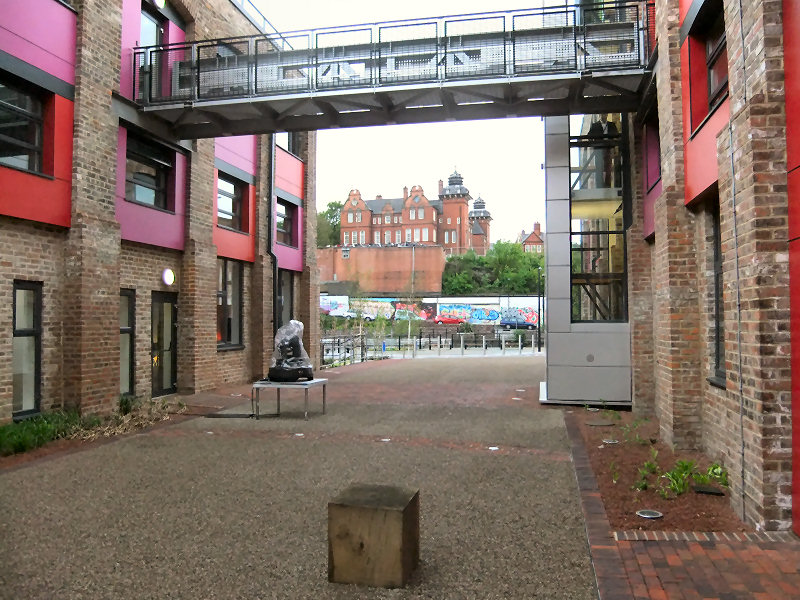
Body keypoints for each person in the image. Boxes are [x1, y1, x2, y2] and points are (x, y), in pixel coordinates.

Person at [588, 114, 618, 188]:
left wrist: (614, 146)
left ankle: (608, 186)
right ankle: (599, 186)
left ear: (607, 115)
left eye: (604, 114)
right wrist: (594, 144)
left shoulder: (611, 125)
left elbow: (617, 136)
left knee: (608, 168)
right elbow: (589, 136)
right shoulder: (595, 125)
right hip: (599, 149)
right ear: (599, 116)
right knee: (599, 168)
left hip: (608, 148)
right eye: (601, 114)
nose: (602, 116)